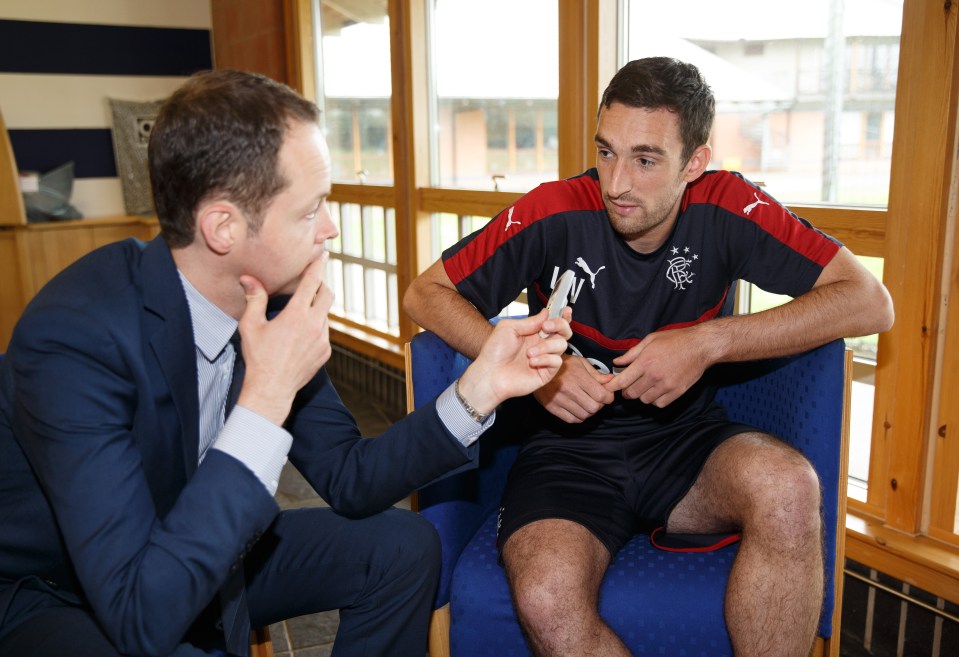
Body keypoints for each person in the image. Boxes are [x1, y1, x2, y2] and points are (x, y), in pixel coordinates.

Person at [0, 69, 571, 657]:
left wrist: (480, 388)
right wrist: (267, 393)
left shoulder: (266, 300)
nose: (330, 228)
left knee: (403, 547)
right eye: (310, 210)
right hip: (64, 593)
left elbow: (351, 478)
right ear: (223, 226)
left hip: (206, 548)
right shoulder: (74, 336)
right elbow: (140, 615)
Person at [404, 57, 894, 657]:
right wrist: (539, 373)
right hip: (567, 451)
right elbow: (424, 293)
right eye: (606, 152)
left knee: (790, 487)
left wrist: (709, 342)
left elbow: (869, 301)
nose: (616, 183)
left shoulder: (729, 205)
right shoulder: (555, 208)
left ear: (694, 163)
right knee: (546, 595)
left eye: (645, 160)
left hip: (687, 444)